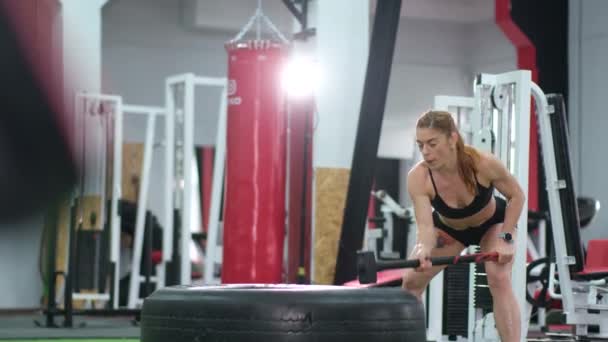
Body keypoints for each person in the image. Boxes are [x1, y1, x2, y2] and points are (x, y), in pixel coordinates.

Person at [403, 110, 525, 342]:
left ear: (452, 138)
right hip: (450, 230)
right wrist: (423, 249)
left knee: (498, 278)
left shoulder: (483, 164)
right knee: (411, 282)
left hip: (491, 223)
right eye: (420, 145)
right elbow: (426, 228)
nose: (426, 152)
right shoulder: (418, 177)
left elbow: (517, 196)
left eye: (432, 143)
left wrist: (506, 237)